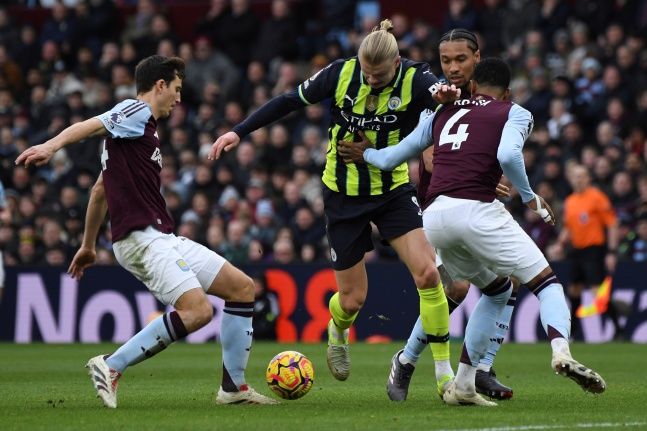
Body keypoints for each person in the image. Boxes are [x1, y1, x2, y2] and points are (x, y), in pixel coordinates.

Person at [15, 55, 278, 408]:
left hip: (159, 236)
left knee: (242, 288)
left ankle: (233, 388)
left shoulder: (132, 135)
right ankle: (111, 365)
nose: (179, 98)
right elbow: (90, 125)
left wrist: (89, 244)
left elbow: (98, 191)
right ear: (160, 86)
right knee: (198, 312)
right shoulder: (135, 112)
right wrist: (52, 145)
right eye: (177, 89)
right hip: (142, 238)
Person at [344, 57, 606, 406]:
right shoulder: (513, 111)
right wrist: (530, 197)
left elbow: (393, 158)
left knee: (492, 290)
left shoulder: (439, 111)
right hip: (475, 211)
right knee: (545, 283)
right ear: (507, 91)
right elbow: (509, 155)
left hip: (434, 216)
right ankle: (560, 351)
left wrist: (366, 154)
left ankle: (463, 381)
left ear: (473, 78)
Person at [210, 19, 454, 392]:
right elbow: (288, 101)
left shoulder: (416, 79)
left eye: (379, 74)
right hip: (342, 196)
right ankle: (337, 330)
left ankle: (444, 377)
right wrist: (237, 131)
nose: (371, 80)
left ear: (396, 62)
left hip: (393, 191)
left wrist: (446, 95)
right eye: (367, 73)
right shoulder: (340, 74)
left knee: (428, 275)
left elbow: (441, 91)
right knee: (354, 299)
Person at [340, 28, 514, 401]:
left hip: (474, 202)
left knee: (495, 284)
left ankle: (455, 366)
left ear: (477, 58)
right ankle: (441, 365)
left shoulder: (486, 100)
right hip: (437, 204)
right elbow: (428, 152)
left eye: (460, 60)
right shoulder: (434, 98)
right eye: (446, 61)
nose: (452, 68)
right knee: (459, 286)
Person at [557, 164, 624, 339]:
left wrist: (612, 251)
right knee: (574, 290)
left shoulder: (597, 197)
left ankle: (618, 328)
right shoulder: (570, 201)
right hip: (577, 250)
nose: (578, 180)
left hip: (594, 250)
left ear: (588, 178)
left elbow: (612, 224)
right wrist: (560, 244)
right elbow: (569, 228)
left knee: (596, 292)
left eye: (581, 176)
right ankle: (575, 331)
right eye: (575, 176)